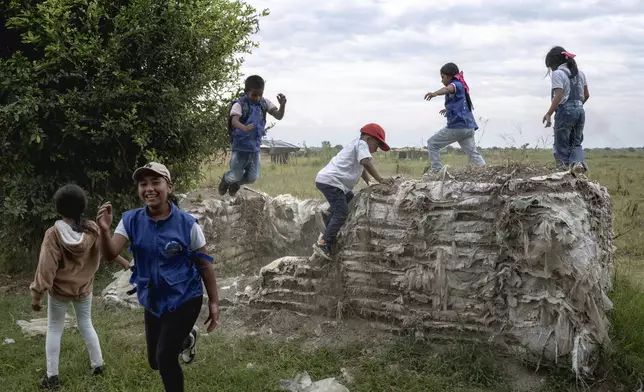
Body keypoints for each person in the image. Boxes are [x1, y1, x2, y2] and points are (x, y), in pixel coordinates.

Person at [96, 162, 220, 392]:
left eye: (156, 182)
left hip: (184, 299)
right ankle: (186, 339)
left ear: (169, 187)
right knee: (154, 361)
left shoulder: (187, 225)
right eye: (143, 184)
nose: (149, 188)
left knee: (165, 359)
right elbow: (110, 254)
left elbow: (204, 264)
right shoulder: (130, 220)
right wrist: (104, 230)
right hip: (153, 300)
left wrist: (213, 301)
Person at [30, 184, 130, 389]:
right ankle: (98, 365)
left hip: (60, 291)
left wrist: (37, 295)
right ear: (83, 207)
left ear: (58, 208)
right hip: (84, 287)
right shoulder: (93, 228)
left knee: (54, 328)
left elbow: (46, 268)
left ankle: (52, 377)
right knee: (86, 324)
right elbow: (105, 248)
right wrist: (122, 261)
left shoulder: (53, 234)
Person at [313, 123, 394, 260]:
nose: (376, 149)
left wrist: (370, 182)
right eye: (377, 145)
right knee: (342, 212)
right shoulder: (362, 144)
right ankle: (323, 243)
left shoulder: (355, 145)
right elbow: (366, 163)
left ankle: (328, 215)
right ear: (368, 139)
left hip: (331, 181)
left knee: (350, 197)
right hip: (331, 182)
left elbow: (361, 168)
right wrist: (380, 179)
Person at [218, 75, 287, 197]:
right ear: (246, 92)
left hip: (254, 148)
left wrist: (282, 105)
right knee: (235, 174)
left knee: (252, 177)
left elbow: (279, 116)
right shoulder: (240, 104)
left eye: (260, 94)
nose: (257, 97)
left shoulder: (264, 103)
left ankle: (236, 184)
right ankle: (226, 180)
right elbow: (234, 121)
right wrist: (244, 128)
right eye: (254, 95)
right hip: (240, 148)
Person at [424, 63, 486, 172]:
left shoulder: (456, 84)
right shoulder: (461, 86)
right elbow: (460, 106)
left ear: (449, 76)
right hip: (468, 128)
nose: (442, 80)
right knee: (473, 154)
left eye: (442, 77)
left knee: (432, 144)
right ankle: (485, 172)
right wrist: (447, 110)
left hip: (457, 127)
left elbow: (448, 89)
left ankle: (437, 171)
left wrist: (435, 94)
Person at [542, 46, 590, 173]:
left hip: (565, 111)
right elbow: (586, 96)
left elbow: (558, 96)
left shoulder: (558, 74)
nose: (551, 69)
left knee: (561, 147)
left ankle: (562, 174)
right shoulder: (581, 74)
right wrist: (576, 107)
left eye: (550, 66)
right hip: (580, 110)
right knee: (576, 144)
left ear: (555, 63)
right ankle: (578, 164)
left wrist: (549, 113)